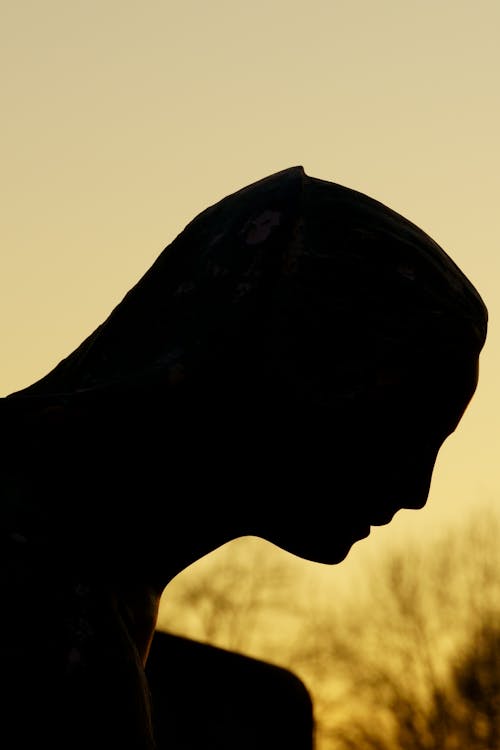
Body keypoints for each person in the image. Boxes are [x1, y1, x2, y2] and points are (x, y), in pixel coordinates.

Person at [1, 166, 487, 748]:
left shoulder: (87, 588)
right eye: (400, 429)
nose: (418, 489)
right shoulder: (33, 605)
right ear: (293, 364)